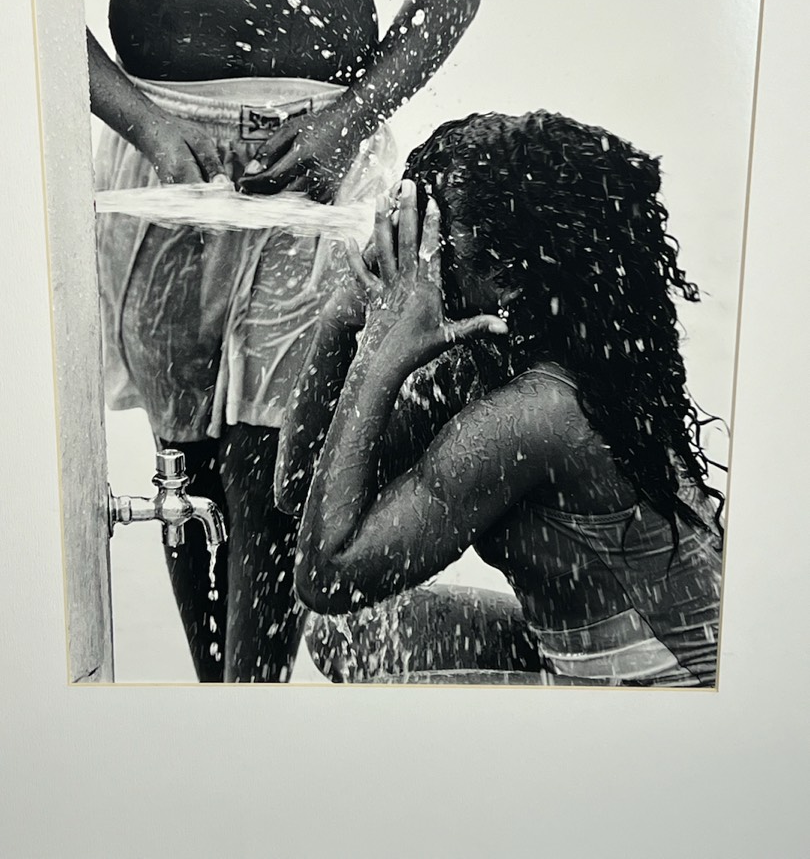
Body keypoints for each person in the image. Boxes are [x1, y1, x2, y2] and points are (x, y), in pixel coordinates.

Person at [74, 0, 481, 681]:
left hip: (330, 148)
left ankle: (246, 708)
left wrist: (350, 119)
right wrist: (148, 125)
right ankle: (226, 709)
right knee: (186, 465)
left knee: (279, 457)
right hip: (161, 143)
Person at [276, 110, 726, 686]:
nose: (417, 263)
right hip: (588, 656)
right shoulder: (487, 359)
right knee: (345, 636)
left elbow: (326, 575)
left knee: (386, 698)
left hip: (676, 690)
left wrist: (380, 348)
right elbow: (299, 491)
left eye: (435, 244)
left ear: (510, 275)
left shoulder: (540, 413)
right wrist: (344, 314)